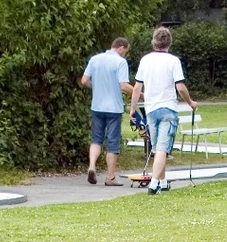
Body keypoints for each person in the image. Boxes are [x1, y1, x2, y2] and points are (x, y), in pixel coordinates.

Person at [130, 27, 197, 195]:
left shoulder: (145, 60)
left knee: (158, 146)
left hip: (151, 109)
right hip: (168, 108)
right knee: (162, 148)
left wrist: (133, 109)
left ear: (154, 41)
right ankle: (154, 183)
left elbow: (137, 87)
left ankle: (163, 180)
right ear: (169, 42)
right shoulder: (173, 61)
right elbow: (180, 87)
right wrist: (190, 102)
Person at [81, 38, 134, 186]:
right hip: (114, 108)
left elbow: (84, 80)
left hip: (97, 106)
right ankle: (110, 177)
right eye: (125, 51)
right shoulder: (120, 62)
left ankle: (92, 166)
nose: (125, 55)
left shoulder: (95, 59)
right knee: (112, 143)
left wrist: (96, 87)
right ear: (121, 48)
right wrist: (139, 93)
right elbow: (124, 86)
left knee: (96, 140)